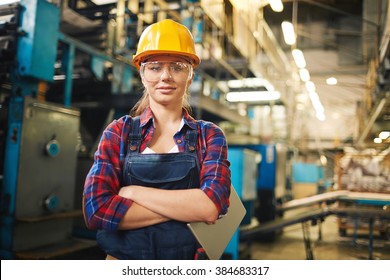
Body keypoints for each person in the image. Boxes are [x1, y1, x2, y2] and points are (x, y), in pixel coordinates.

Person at [82, 19, 231, 260]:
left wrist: (132, 192)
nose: (166, 76)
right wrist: (187, 208)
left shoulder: (209, 135)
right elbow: (96, 210)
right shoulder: (118, 132)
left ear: (190, 74)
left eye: (177, 67)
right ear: (142, 74)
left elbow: (210, 207)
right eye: (154, 67)